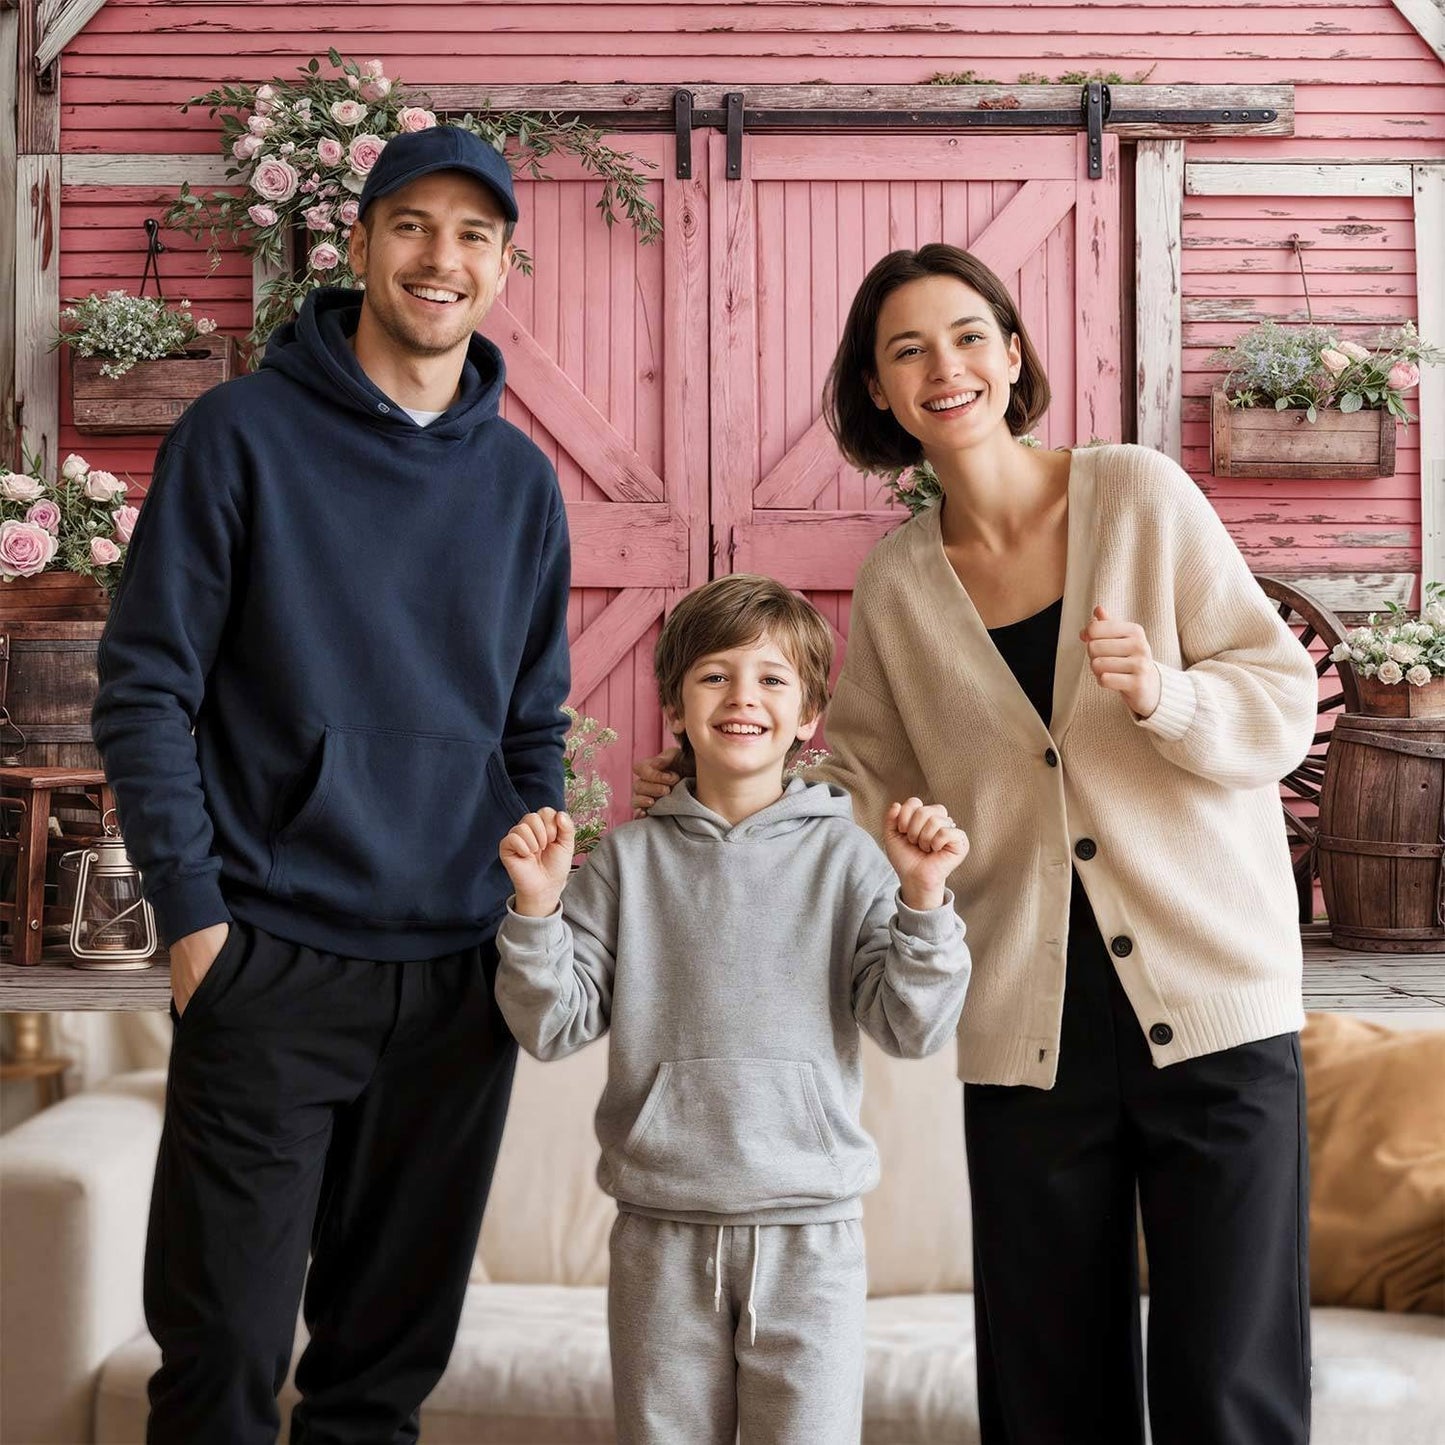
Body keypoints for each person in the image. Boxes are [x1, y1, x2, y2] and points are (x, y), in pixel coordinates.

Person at [633, 245, 1319, 1444]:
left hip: (1213, 995)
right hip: (1022, 1020)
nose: (941, 366)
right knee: (1046, 1387)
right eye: (904, 351)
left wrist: (1161, 693)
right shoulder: (897, 584)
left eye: (964, 336)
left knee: (1230, 1383)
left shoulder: (1139, 494)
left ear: (1009, 355)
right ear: (880, 397)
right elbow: (855, 782)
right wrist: (721, 784)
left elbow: (1275, 697)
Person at [92, 125, 571, 1445]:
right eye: (412, 224)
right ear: (357, 244)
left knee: (379, 1383)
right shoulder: (236, 435)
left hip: (456, 975)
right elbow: (146, 691)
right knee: (222, 1371)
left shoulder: (524, 484)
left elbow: (533, 724)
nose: (442, 257)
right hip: (270, 961)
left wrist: (525, 910)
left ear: (504, 268)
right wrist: (196, 924)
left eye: (475, 235)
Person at [495, 573, 971, 1445]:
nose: (742, 697)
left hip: (814, 1238)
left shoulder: (855, 861)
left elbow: (914, 1026)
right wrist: (535, 909)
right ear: (675, 707)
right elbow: (550, 1023)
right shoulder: (625, 863)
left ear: (808, 716)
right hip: (659, 1234)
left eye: (772, 679)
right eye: (714, 675)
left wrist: (925, 899)